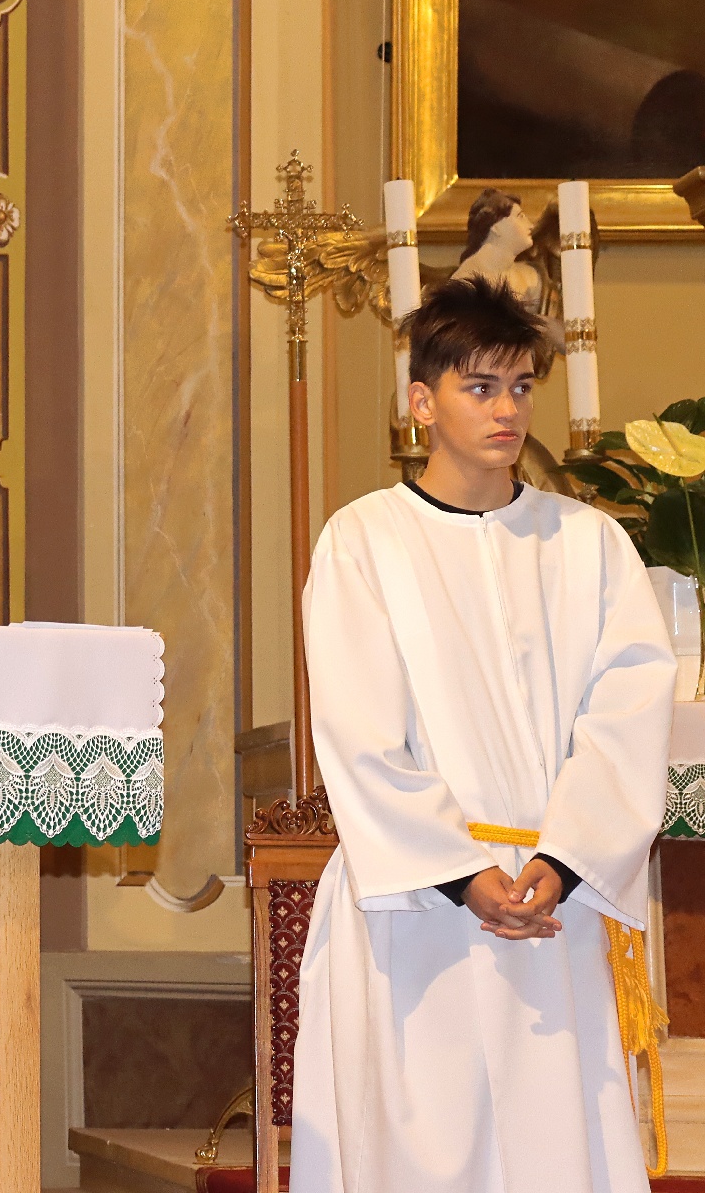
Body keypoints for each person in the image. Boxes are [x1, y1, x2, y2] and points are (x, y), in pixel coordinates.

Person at [291, 275, 673, 1192]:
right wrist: (463, 873)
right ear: (420, 402)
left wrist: (565, 859)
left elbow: (628, 712)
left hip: (553, 902)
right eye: (480, 387)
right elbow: (358, 728)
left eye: (522, 387)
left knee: (558, 1152)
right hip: (418, 906)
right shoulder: (363, 542)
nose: (507, 410)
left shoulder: (588, 544)